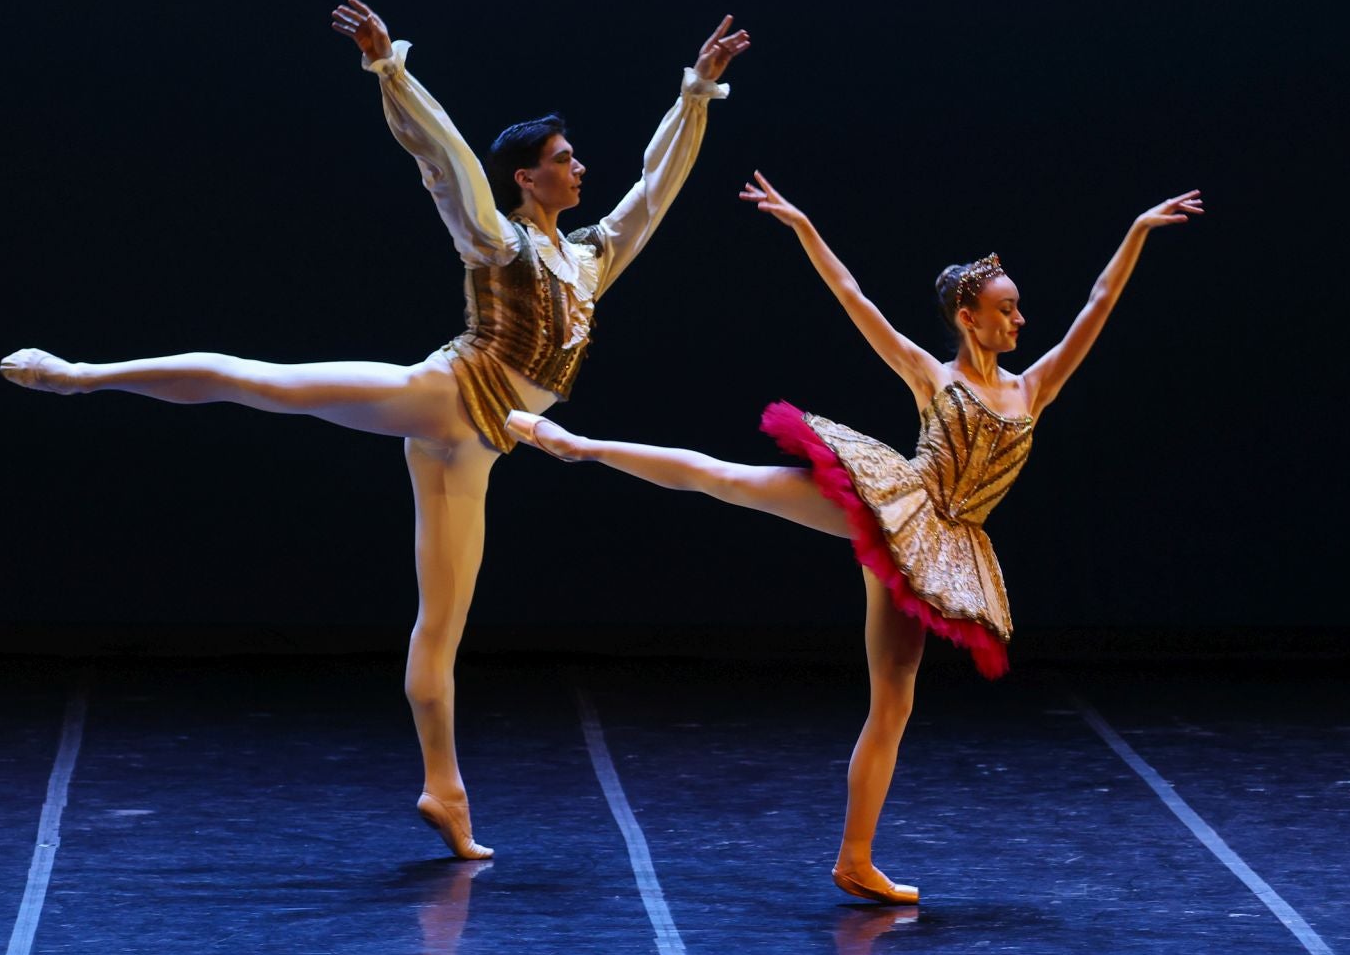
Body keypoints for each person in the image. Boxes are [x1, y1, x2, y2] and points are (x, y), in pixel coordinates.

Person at [0, 0, 751, 860]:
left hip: (481, 446)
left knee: (443, 624)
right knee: (266, 385)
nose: (581, 167)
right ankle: (81, 375)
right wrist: (389, 68)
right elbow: (448, 160)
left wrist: (695, 92)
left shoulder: (589, 258)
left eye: (574, 156)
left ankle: (445, 789)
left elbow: (656, 189)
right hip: (443, 395)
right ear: (527, 179)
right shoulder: (499, 242)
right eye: (563, 159)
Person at [506, 172, 1202, 902]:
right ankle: (572, 442)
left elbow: (1098, 306)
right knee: (731, 479)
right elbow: (853, 299)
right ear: (968, 316)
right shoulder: (934, 378)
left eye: (1019, 309)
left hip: (942, 549)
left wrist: (1136, 233)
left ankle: (854, 859)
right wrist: (804, 225)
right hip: (893, 505)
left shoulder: (1034, 388)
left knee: (893, 705)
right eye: (1006, 309)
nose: (1021, 321)